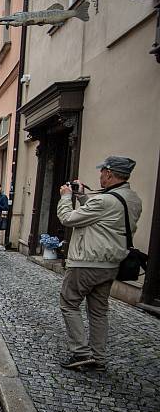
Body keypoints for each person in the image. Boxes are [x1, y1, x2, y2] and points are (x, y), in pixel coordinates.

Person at [57, 156, 143, 372]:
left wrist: (67, 198)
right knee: (98, 311)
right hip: (111, 264)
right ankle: (98, 357)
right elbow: (102, 216)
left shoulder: (104, 201)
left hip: (86, 262)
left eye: (102, 172)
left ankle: (81, 353)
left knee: (69, 303)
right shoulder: (132, 199)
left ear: (110, 173)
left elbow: (68, 218)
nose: (100, 176)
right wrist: (84, 197)